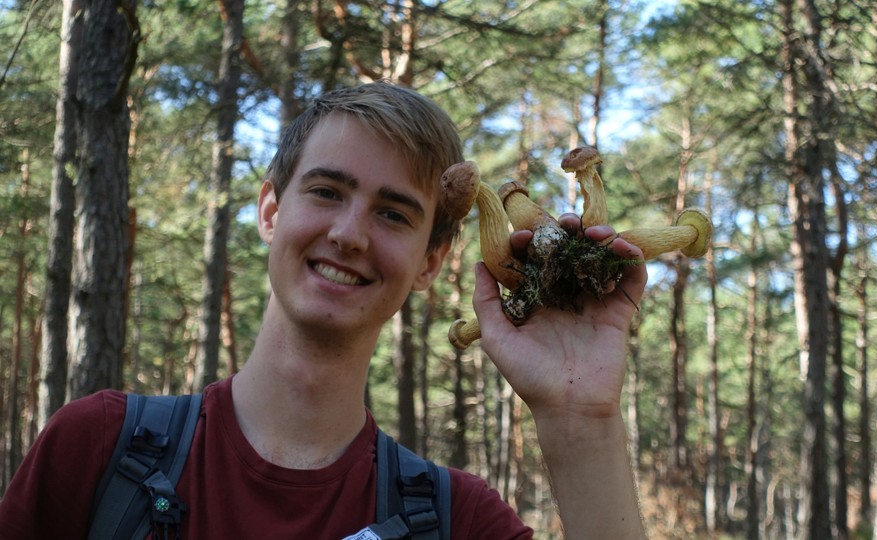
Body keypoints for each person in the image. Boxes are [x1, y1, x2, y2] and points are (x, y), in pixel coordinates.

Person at [0, 81, 647, 538]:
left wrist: (580, 417)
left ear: (431, 262)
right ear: (271, 210)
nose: (349, 233)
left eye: (394, 213)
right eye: (327, 191)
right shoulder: (99, 451)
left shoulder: (456, 522)